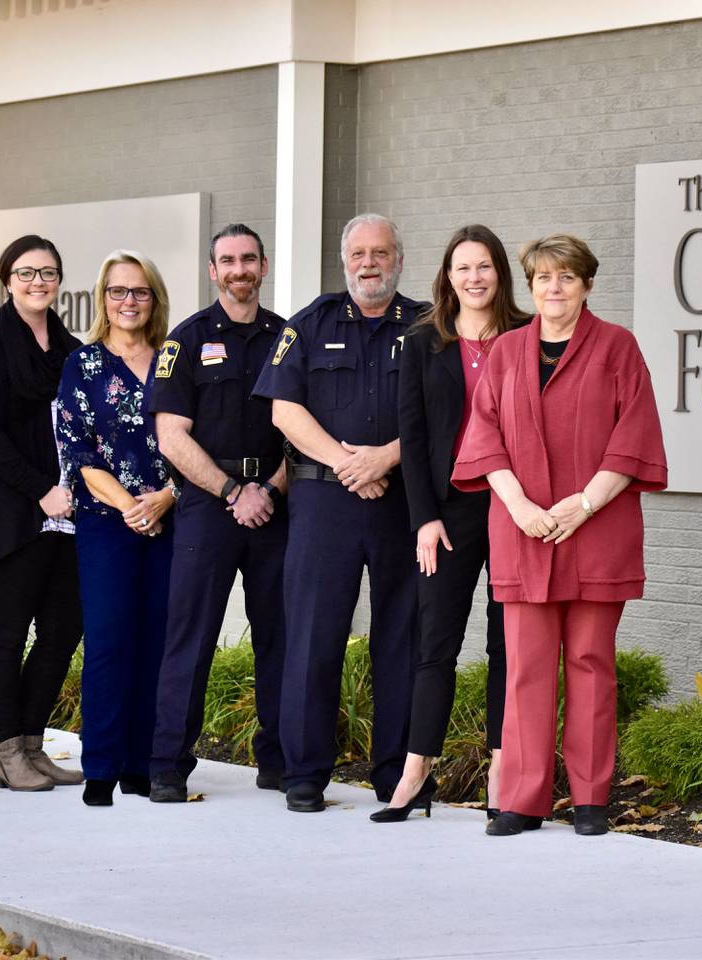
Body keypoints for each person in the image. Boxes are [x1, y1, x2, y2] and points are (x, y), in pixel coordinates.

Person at [452, 233, 668, 838]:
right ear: (531, 287)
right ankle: (522, 799)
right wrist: (518, 504)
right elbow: (484, 437)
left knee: (592, 663)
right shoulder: (507, 352)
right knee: (524, 666)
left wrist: (585, 503)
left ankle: (592, 797)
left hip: (597, 530)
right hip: (522, 530)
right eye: (543, 278)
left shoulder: (618, 349)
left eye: (567, 278)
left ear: (587, 285)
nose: (554, 289)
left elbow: (635, 435)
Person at [253, 212, 426, 813]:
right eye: (358, 253)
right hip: (324, 500)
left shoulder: (429, 326)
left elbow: (449, 414)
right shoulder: (309, 324)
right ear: (344, 259)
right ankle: (304, 773)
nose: (369, 263)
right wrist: (351, 465)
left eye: (381, 252)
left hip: (403, 499)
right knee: (312, 634)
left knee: (401, 636)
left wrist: (386, 460)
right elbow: (284, 411)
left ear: (399, 258)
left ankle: (395, 776)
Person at [374, 225, 529, 823]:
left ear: (499, 274)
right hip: (450, 509)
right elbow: (412, 439)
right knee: (435, 642)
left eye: (484, 266)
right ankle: (416, 774)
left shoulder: (525, 335)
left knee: (505, 645)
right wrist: (424, 520)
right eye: (463, 267)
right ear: (447, 276)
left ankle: (501, 774)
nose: (474, 278)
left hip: (512, 503)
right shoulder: (422, 342)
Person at [147, 224, 289, 803]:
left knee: (279, 638)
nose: (239, 269)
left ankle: (279, 762)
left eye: (248, 259)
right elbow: (170, 437)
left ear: (263, 265)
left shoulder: (288, 338)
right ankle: (168, 766)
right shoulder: (185, 340)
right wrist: (234, 492)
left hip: (276, 504)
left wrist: (270, 492)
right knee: (191, 635)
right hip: (209, 503)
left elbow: (301, 431)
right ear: (213, 271)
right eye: (227, 260)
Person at [0, 234, 84, 793]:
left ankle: (32, 745)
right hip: (13, 514)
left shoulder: (70, 349)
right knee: (8, 635)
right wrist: (40, 490)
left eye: (49, 273)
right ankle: (4, 751)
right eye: (28, 272)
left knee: (62, 630)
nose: (39, 282)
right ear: (7, 280)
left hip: (68, 514)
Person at [56, 250, 176, 807]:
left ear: (154, 299)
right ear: (103, 298)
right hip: (107, 522)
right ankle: (101, 766)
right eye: (118, 291)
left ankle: (144, 764)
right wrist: (132, 506)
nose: (129, 301)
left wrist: (165, 498)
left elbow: (198, 436)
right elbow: (78, 451)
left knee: (157, 641)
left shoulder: (175, 359)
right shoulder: (82, 365)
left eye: (140, 291)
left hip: (172, 517)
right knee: (107, 640)